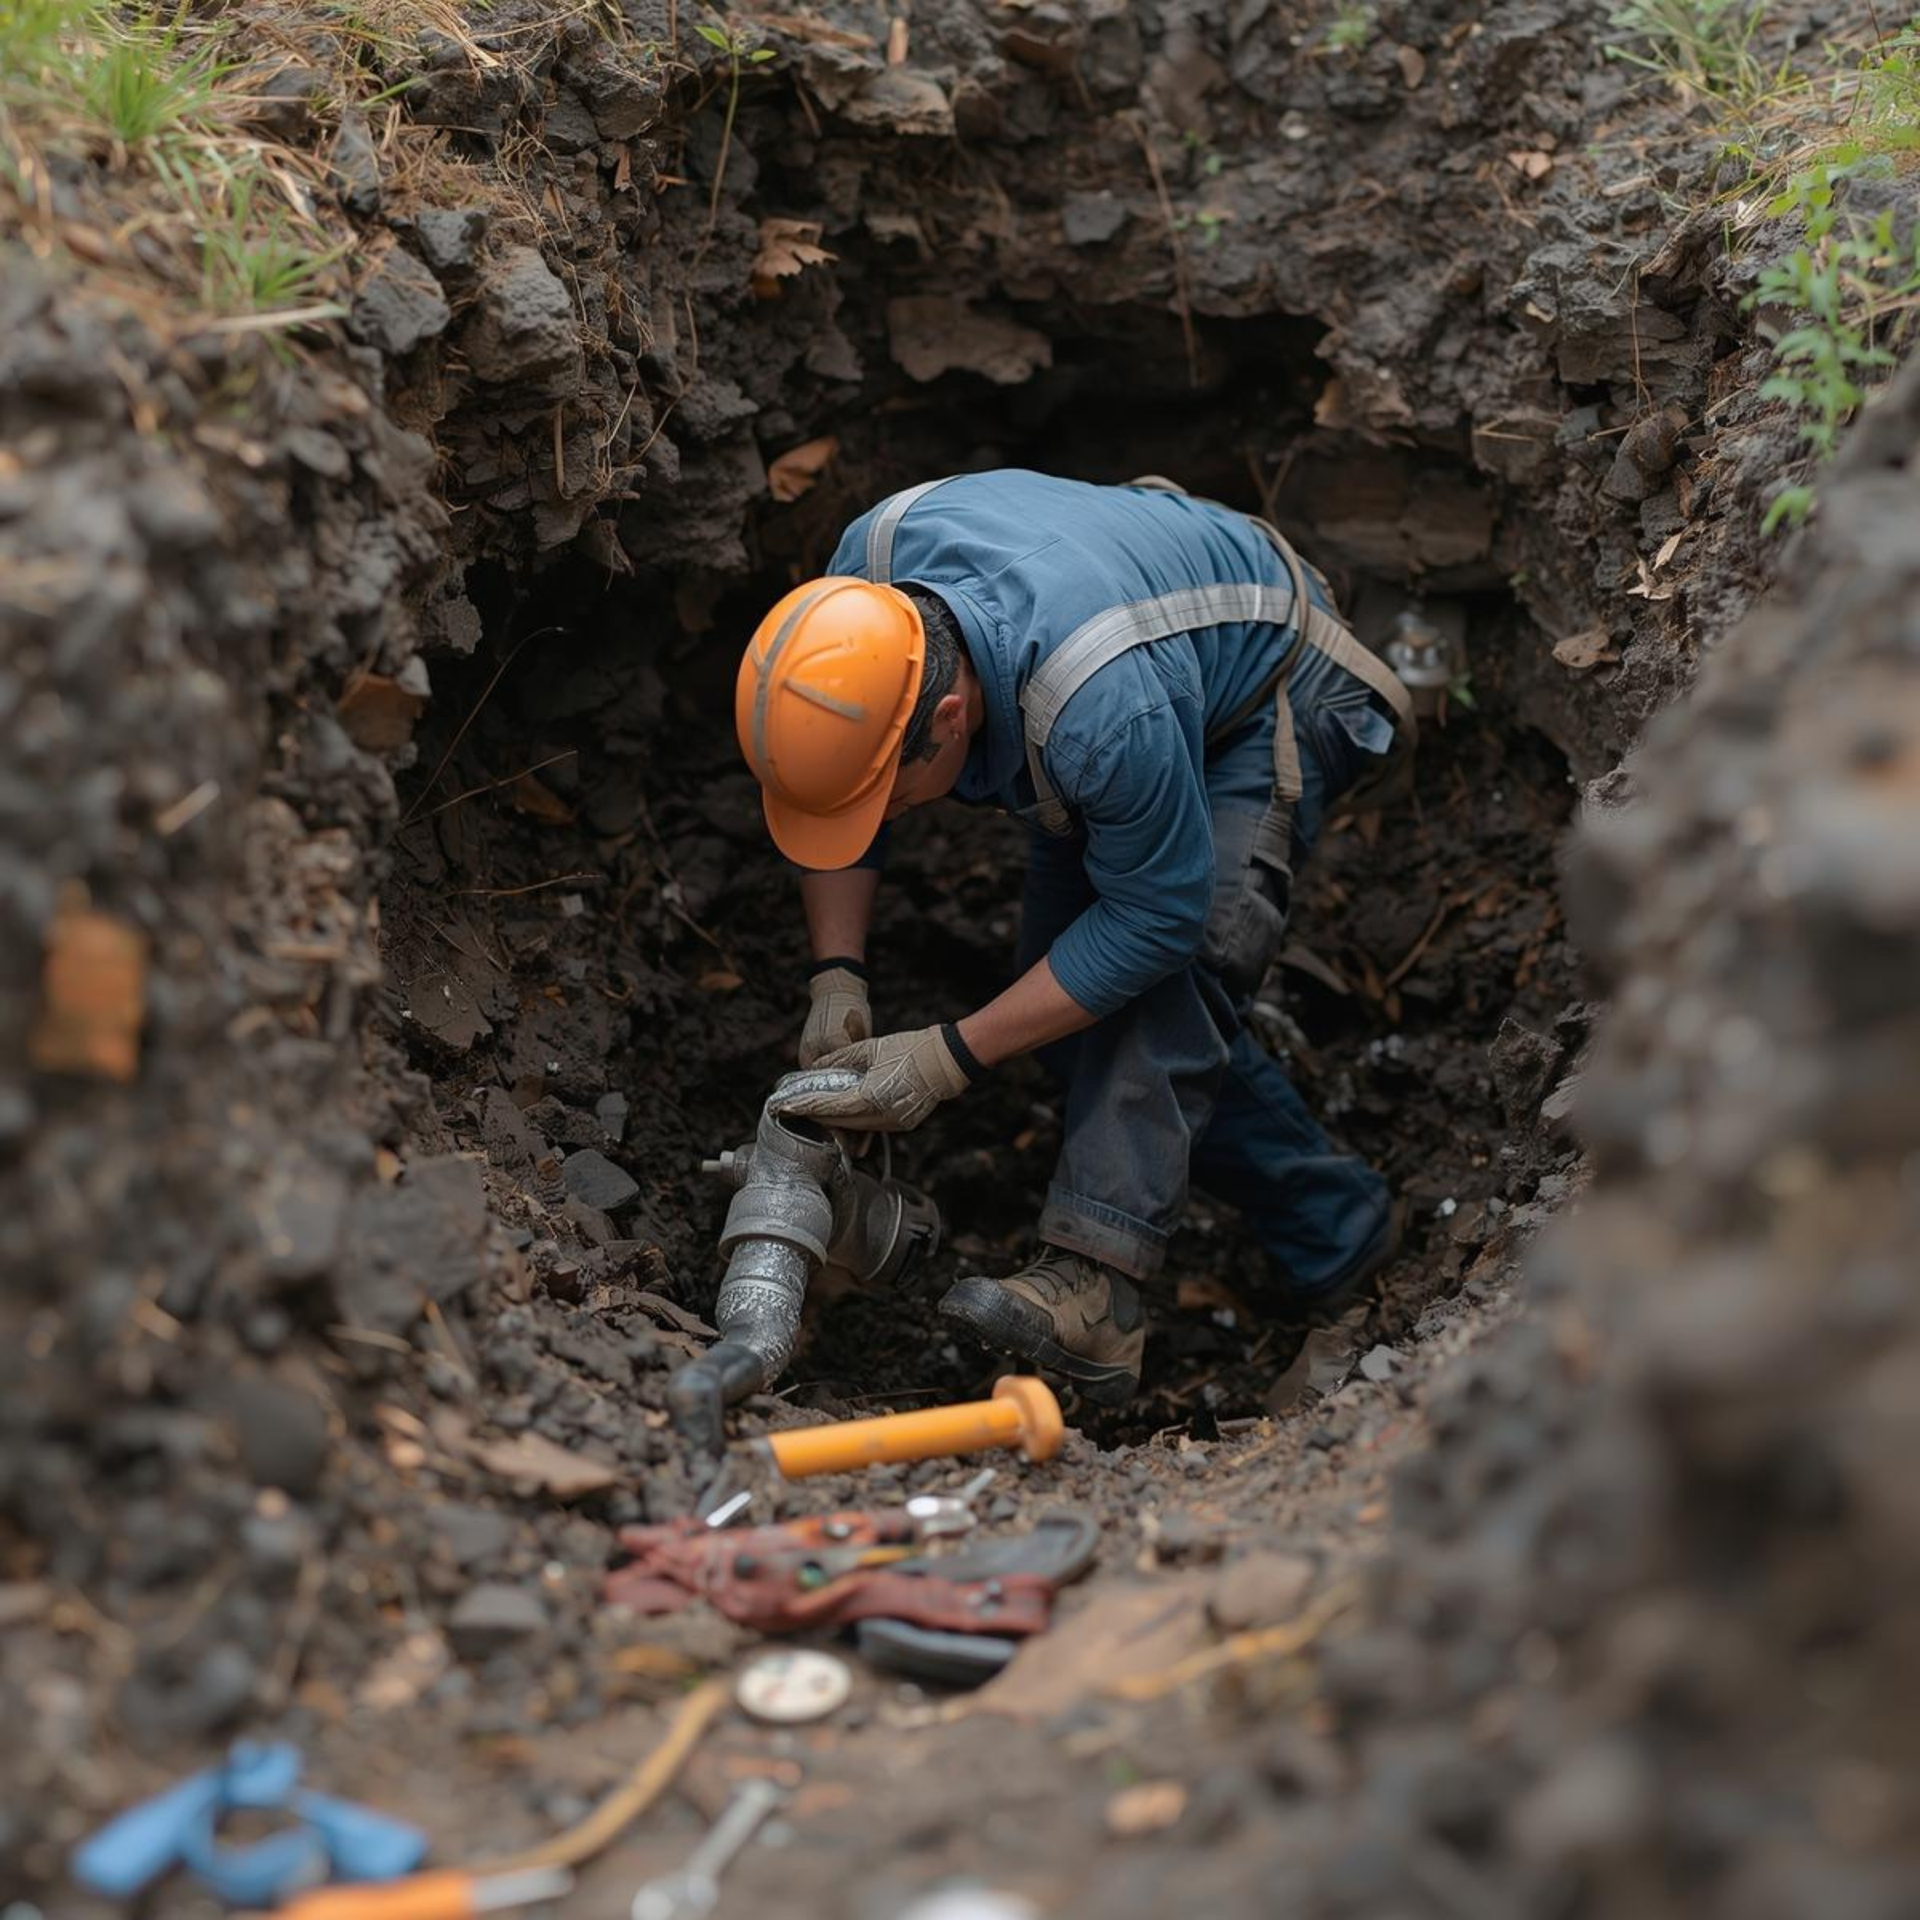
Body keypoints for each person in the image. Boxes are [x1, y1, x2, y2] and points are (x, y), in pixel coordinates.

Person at [733, 470, 1413, 1405]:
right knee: (1057, 1007)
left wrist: (947, 1058)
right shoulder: (863, 601)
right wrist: (836, 978)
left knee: (1153, 983)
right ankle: (1340, 1228)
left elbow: (1157, 922)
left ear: (950, 720)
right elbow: (841, 797)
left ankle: (1099, 1289)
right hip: (1135, 670)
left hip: (1264, 691)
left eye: (887, 792)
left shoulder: (1097, 717)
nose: (876, 812)